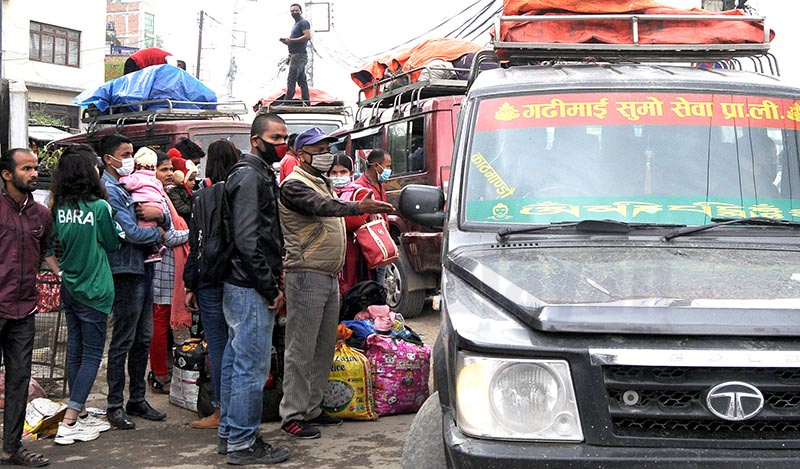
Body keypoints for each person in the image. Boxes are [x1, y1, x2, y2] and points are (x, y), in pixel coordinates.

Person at [278, 127, 393, 439]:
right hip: (306, 272)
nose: (327, 153)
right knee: (301, 347)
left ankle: (313, 408)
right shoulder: (294, 185)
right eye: (319, 149)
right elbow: (322, 207)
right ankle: (293, 413)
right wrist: (358, 207)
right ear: (302, 153)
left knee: (325, 344)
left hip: (328, 273)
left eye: (328, 147)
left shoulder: (321, 182)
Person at [217, 113, 290, 465]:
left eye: (284, 137)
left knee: (237, 363)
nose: (282, 144)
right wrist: (269, 286)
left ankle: (231, 435)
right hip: (249, 286)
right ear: (256, 140)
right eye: (276, 137)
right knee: (250, 368)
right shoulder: (249, 177)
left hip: (243, 284)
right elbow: (248, 240)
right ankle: (243, 444)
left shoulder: (256, 174)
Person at [50, 145, 120, 445]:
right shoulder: (99, 208)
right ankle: (70, 421)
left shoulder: (59, 207)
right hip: (95, 287)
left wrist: (60, 272)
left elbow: (53, 245)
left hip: (70, 286)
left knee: (76, 351)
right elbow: (113, 242)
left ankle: (75, 410)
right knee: (92, 354)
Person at [99, 134, 169, 430]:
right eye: (125, 154)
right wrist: (159, 233)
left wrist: (161, 217)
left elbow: (162, 212)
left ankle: (137, 398)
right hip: (125, 270)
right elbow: (128, 232)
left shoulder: (133, 184)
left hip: (144, 267)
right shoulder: (110, 191)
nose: (131, 159)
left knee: (143, 338)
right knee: (124, 340)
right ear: (109, 159)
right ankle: (115, 403)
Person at [0, 148, 57, 467]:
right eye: (26, 168)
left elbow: (42, 250)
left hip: (24, 309)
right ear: (7, 174)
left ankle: (11, 448)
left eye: (35, 168)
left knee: (19, 379)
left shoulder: (41, 215)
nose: (34, 173)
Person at [184, 138, 240, 430]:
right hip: (236, 277)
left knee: (218, 345)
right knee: (238, 344)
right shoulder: (238, 192)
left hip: (207, 278)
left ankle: (219, 410)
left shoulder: (200, 196)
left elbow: (196, 244)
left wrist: (190, 285)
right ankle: (237, 411)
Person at [148, 152, 191, 395]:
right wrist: (194, 232)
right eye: (163, 169)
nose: (168, 174)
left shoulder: (164, 194)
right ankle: (160, 375)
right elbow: (172, 236)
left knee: (161, 322)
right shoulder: (155, 196)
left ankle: (160, 371)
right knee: (160, 322)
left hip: (167, 267)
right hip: (163, 268)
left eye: (169, 169)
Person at [330, 154, 372, 294]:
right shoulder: (325, 194)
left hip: (353, 251)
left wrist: (327, 215)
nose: (338, 176)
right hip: (330, 251)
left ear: (351, 173)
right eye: (334, 173)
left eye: (343, 172)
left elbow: (353, 222)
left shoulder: (361, 193)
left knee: (352, 290)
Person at [119, 147, 168, 264]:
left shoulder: (137, 178)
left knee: (144, 229)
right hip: (158, 206)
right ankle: (158, 246)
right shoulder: (156, 181)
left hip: (144, 207)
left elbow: (127, 184)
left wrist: (122, 178)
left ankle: (152, 251)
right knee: (152, 226)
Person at [354, 148, 393, 281]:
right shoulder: (360, 187)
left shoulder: (380, 185)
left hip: (381, 243)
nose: (389, 170)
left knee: (380, 285)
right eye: (387, 166)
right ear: (376, 166)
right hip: (369, 246)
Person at [280, 4, 311, 104]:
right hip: (295, 55)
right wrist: (289, 56)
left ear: (301, 11)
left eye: (296, 11)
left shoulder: (303, 22)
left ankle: (287, 102)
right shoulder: (296, 24)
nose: (294, 13)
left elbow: (307, 36)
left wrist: (291, 41)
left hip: (299, 55)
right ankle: (307, 101)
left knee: (291, 79)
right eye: (292, 11)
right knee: (302, 80)